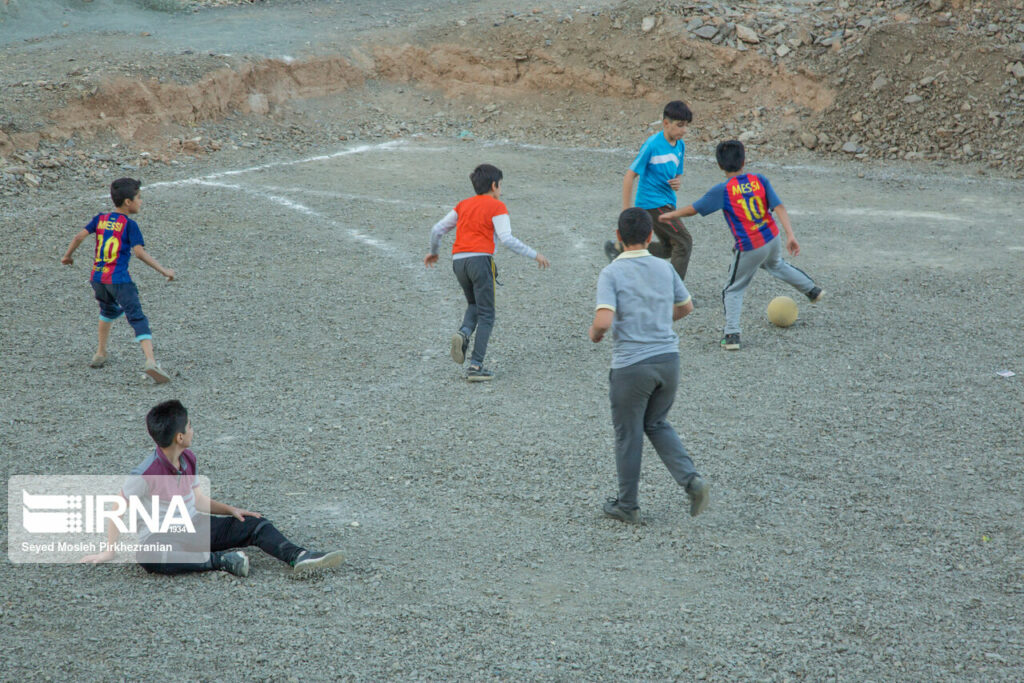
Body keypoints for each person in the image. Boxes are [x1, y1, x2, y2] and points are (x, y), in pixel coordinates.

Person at [81, 400, 344, 577]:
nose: (193, 429)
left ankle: (298, 556)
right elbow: (118, 504)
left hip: (193, 524)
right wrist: (110, 549)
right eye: (190, 426)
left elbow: (197, 501)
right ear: (180, 437)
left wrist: (230, 510)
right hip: (160, 537)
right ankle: (219, 561)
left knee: (254, 523)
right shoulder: (146, 473)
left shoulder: (188, 459)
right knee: (146, 555)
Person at [590, 208, 709, 524]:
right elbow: (686, 307)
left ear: (618, 237)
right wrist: (656, 320)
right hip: (668, 362)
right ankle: (691, 480)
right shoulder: (664, 267)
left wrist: (596, 333)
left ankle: (628, 505)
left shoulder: (612, 272)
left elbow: (603, 319)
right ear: (649, 237)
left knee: (628, 433)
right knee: (656, 423)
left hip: (632, 367)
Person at [659, 140, 824, 351]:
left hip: (749, 246)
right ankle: (812, 290)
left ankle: (732, 335)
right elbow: (779, 207)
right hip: (772, 237)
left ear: (719, 165)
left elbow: (694, 209)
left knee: (732, 289)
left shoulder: (724, 190)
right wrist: (790, 235)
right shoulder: (759, 180)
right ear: (744, 161)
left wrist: (670, 215)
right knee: (776, 265)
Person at [424, 164, 550, 381]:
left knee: (474, 304)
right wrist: (534, 254)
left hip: (458, 262)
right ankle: (475, 366)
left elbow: (437, 230)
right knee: (487, 314)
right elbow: (507, 238)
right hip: (480, 261)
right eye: (500, 185)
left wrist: (434, 252)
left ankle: (463, 333)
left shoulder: (463, 205)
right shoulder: (496, 206)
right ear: (494, 185)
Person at [61, 177, 174, 383]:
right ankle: (150, 361)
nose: (141, 201)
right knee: (137, 317)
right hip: (119, 280)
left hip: (97, 278)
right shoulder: (130, 226)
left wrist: (68, 256)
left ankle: (100, 353)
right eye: (139, 198)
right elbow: (139, 253)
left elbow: (79, 237)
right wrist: (164, 270)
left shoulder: (100, 219)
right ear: (128, 202)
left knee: (108, 311)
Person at [604, 100, 694, 282]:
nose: (684, 130)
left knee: (669, 248)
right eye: (680, 125)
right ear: (666, 123)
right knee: (684, 242)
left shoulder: (680, 145)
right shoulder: (652, 145)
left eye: (686, 126)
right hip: (652, 204)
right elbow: (630, 176)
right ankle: (673, 294)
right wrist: (626, 211)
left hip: (667, 202)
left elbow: (677, 175)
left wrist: (677, 182)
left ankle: (622, 248)